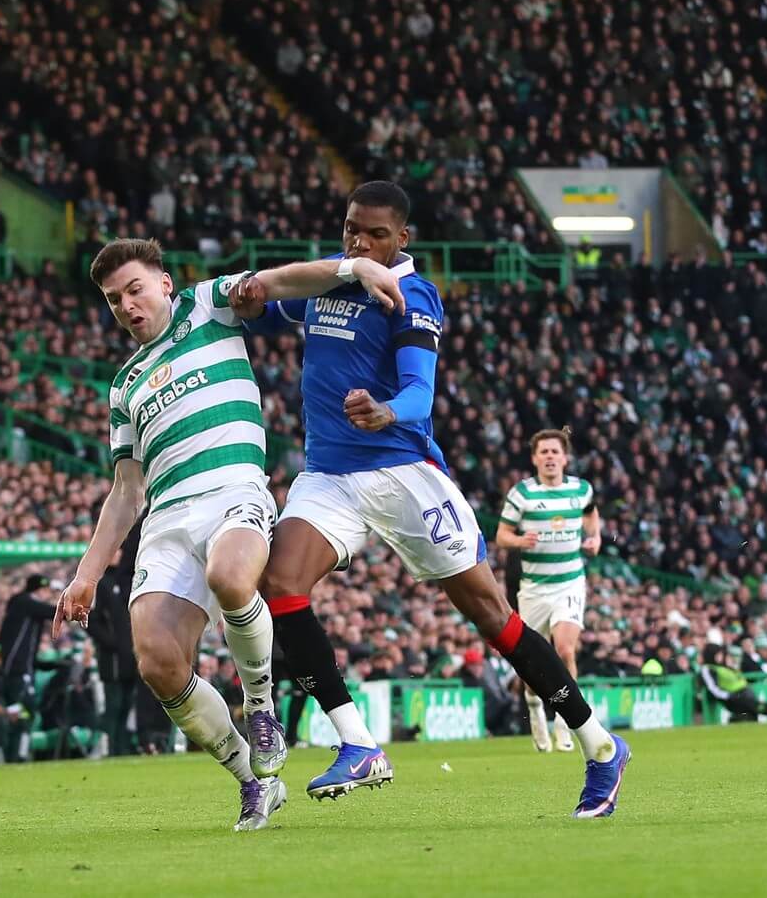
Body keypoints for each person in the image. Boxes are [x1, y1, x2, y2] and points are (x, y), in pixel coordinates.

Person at [234, 181, 630, 818]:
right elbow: (262, 300)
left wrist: (386, 410)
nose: (360, 242)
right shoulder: (328, 280)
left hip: (402, 474)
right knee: (280, 584)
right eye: (351, 229)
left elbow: (420, 393)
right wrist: (247, 293)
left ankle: (600, 745)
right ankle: (357, 742)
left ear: (402, 238)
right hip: (328, 475)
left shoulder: (412, 294)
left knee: (494, 618)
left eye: (376, 233)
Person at [53, 236, 405, 831]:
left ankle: (260, 709)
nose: (127, 306)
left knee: (232, 576)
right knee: (157, 661)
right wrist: (85, 576)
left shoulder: (206, 305)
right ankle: (254, 780)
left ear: (165, 283)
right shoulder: (124, 386)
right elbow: (126, 492)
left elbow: (282, 281)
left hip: (233, 490)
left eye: (135, 289)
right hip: (166, 520)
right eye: (114, 300)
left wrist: (354, 267)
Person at [495, 428, 603, 752]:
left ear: (565, 458)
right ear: (535, 458)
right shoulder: (522, 494)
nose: (550, 457)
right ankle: (534, 706)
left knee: (566, 650)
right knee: (533, 663)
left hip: (569, 582)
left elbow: (591, 514)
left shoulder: (581, 489)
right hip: (534, 589)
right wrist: (519, 541)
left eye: (555, 451)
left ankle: (565, 722)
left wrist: (595, 538)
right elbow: (501, 536)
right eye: (544, 452)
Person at [86, 528, 141, 756]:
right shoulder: (99, 583)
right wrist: (112, 643)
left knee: (126, 705)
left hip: (131, 656)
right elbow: (91, 620)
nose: (117, 554)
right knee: (114, 705)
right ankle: (107, 748)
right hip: (113, 659)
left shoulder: (128, 581)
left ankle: (121, 748)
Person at [0, 573, 58, 720]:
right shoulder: (24, 602)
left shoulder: (28, 606)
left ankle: (20, 727)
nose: (46, 594)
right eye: (44, 590)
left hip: (24, 667)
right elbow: (54, 612)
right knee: (23, 707)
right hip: (16, 667)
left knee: (25, 708)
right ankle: (17, 730)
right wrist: (78, 609)